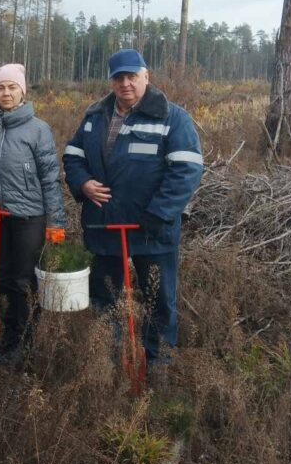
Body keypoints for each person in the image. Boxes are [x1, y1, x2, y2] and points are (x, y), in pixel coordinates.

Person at [63, 49, 203, 363]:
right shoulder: (94, 116)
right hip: (105, 225)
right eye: (119, 77)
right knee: (105, 298)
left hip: (152, 230)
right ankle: (109, 364)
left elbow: (187, 169)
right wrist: (83, 183)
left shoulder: (172, 117)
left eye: (132, 77)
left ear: (146, 76)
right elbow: (72, 156)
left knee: (158, 300)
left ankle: (158, 366)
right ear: (111, 81)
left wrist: (159, 213)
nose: (126, 84)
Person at [0, 63, 67, 365]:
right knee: (3, 277)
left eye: (12, 87)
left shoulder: (38, 129)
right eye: (0, 87)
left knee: (23, 280)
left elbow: (50, 177)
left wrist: (55, 221)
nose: (6, 92)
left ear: (22, 91)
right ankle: (6, 335)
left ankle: (23, 341)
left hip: (29, 218)